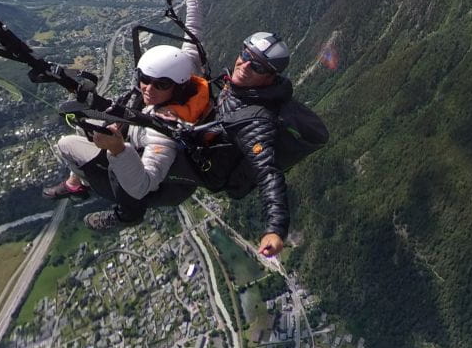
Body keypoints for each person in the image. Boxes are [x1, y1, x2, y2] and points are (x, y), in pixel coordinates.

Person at [42, 43, 210, 230]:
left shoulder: (165, 128)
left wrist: (118, 149)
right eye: (144, 79)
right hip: (134, 141)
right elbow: (191, 38)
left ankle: (124, 215)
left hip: (137, 184)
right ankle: (75, 183)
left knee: (65, 144)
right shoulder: (187, 76)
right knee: (85, 126)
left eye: (161, 84)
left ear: (178, 87)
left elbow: (143, 186)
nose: (148, 88)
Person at [194, 31, 294, 257]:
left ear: (270, 77)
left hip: (206, 170)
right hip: (208, 139)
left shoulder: (256, 122)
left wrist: (276, 230)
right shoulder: (244, 90)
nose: (245, 65)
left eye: (257, 66)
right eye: (245, 54)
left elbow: (269, 173)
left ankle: (126, 211)